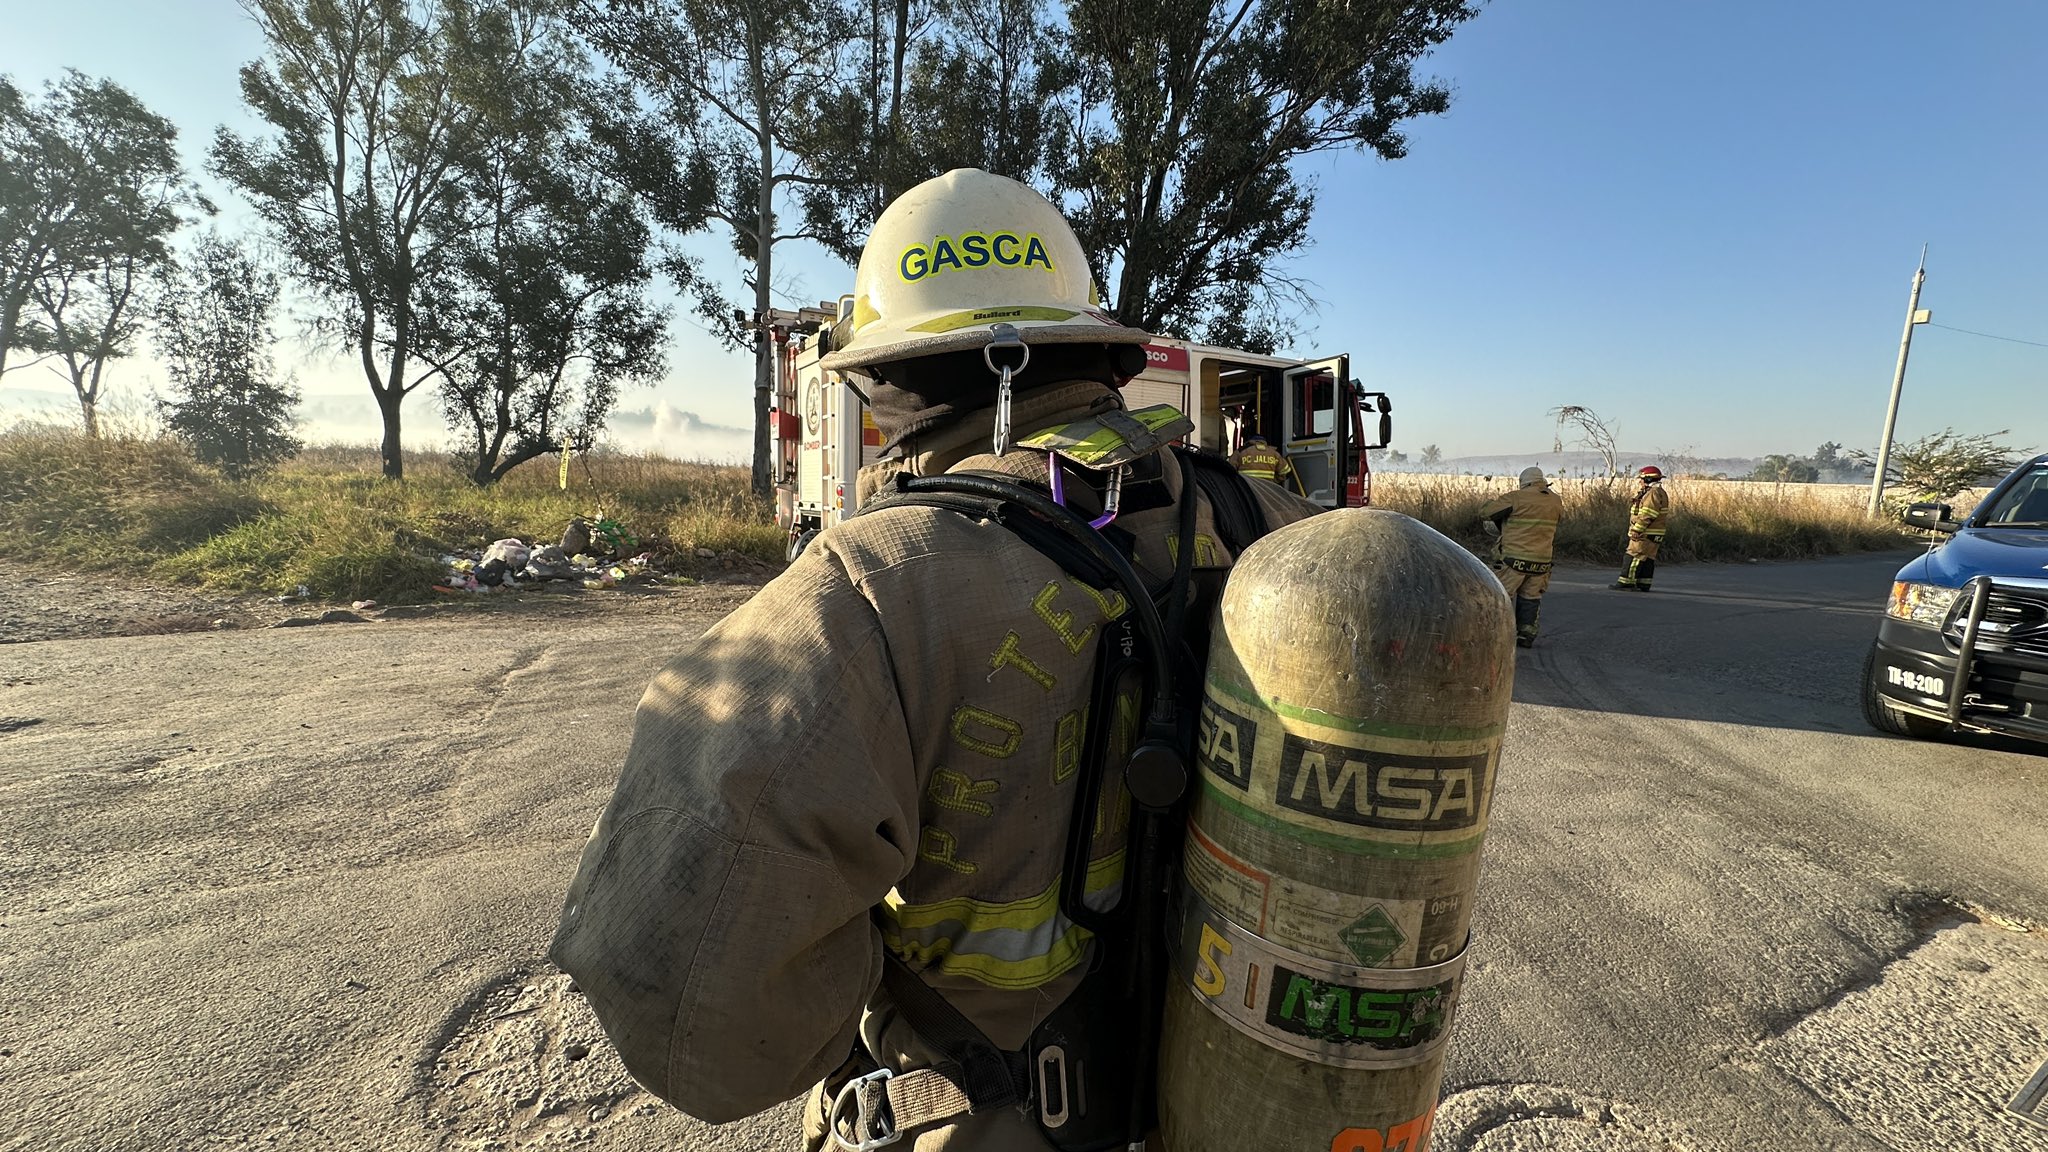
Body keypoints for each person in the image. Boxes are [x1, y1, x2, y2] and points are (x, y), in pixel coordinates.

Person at [547, 168, 1318, 1152]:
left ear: (888, 378)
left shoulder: (869, 591)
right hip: (1251, 1105)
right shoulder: (1285, 529)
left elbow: (704, 1031)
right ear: (1092, 351)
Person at [1477, 465, 1563, 646]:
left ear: (1524, 482)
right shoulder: (1556, 501)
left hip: (1513, 561)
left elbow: (1486, 512)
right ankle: (1526, 635)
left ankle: (1498, 634)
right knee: (1531, 598)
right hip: (1541, 563)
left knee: (1502, 596)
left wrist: (1488, 502)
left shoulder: (1516, 497)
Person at [1612, 465, 1671, 590]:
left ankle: (1626, 582)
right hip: (1655, 532)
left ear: (1649, 479)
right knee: (1648, 558)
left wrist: (1637, 529)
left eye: (1642, 479)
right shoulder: (1660, 492)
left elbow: (1647, 514)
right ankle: (1644, 583)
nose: (1640, 482)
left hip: (1645, 532)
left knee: (1634, 554)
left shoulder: (1652, 493)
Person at [1230, 432, 1298, 493]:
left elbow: (1229, 470)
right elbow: (1286, 472)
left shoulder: (1240, 451)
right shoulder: (1274, 453)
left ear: (1250, 441)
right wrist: (1273, 481)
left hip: (1246, 489)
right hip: (1267, 490)